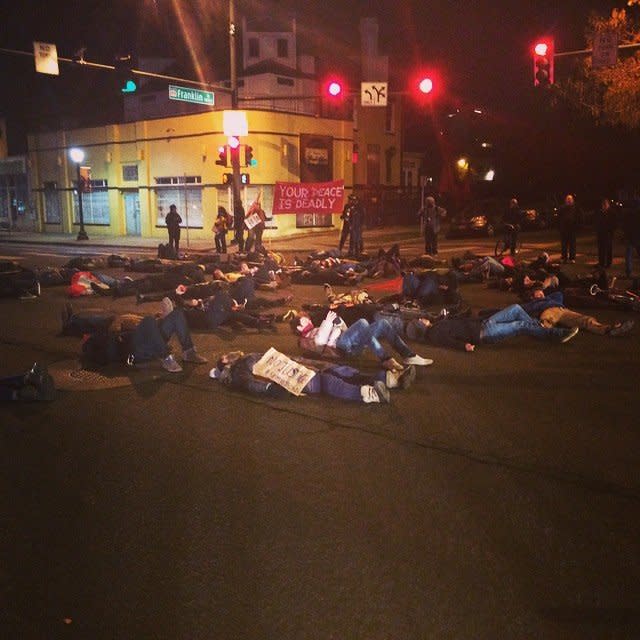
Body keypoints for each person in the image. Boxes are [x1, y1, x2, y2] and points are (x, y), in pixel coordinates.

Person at [209, 351, 417, 404]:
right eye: (224, 358)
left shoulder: (246, 358)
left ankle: (390, 380)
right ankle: (369, 394)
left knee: (339, 371)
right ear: (226, 364)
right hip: (288, 377)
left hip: (296, 367)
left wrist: (306, 360)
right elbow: (251, 384)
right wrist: (271, 390)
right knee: (326, 382)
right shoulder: (238, 370)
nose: (227, 355)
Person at [294, 309, 434, 371]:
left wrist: (338, 322)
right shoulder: (305, 339)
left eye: (306, 318)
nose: (307, 321)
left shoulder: (317, 327)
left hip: (345, 339)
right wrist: (328, 322)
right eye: (303, 322)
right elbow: (319, 343)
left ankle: (408, 355)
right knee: (362, 322)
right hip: (340, 347)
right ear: (299, 329)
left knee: (383, 324)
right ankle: (385, 358)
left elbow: (344, 328)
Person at [80, 307, 208, 373]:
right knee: (148, 321)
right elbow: (109, 354)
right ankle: (166, 357)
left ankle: (189, 352)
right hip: (135, 352)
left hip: (147, 340)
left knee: (177, 314)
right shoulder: (96, 343)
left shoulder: (99, 336)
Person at [405, 304, 580, 351]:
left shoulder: (436, 324)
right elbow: (448, 342)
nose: (422, 318)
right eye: (419, 321)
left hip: (484, 323)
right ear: (421, 327)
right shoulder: (434, 334)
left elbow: (455, 321)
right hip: (483, 333)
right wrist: (464, 347)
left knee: (516, 309)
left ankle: (539, 328)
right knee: (519, 325)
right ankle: (556, 334)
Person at [521, 287, 634, 337]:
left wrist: (545, 297)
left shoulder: (552, 297)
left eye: (541, 291)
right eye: (537, 292)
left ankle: (608, 329)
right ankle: (548, 334)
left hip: (563, 311)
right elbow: (520, 308)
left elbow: (559, 295)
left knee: (585, 319)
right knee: (546, 320)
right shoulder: (533, 304)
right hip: (548, 311)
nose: (540, 293)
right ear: (532, 296)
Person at [557, 193, 581, 263]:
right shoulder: (562, 208)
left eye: (570, 199)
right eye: (567, 199)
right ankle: (564, 257)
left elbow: (579, 218)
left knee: (572, 245)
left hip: (572, 229)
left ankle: (572, 258)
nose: (569, 200)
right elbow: (558, 218)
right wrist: (559, 227)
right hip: (563, 230)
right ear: (565, 200)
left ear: (573, 200)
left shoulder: (576, 208)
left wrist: (577, 226)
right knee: (564, 245)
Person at [594, 198, 617, 269]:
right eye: (603, 204)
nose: (604, 206)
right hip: (601, 233)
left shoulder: (611, 213)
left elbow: (614, 223)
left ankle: (608, 263)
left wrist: (611, 231)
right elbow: (597, 221)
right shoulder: (600, 212)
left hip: (608, 233)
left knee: (608, 249)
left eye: (605, 204)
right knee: (601, 249)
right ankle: (601, 262)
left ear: (608, 205)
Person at [622, 198, 640, 277]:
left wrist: (625, 235)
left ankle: (628, 271)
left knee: (628, 255)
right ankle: (629, 271)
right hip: (637, 236)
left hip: (630, 237)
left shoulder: (628, 214)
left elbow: (625, 226)